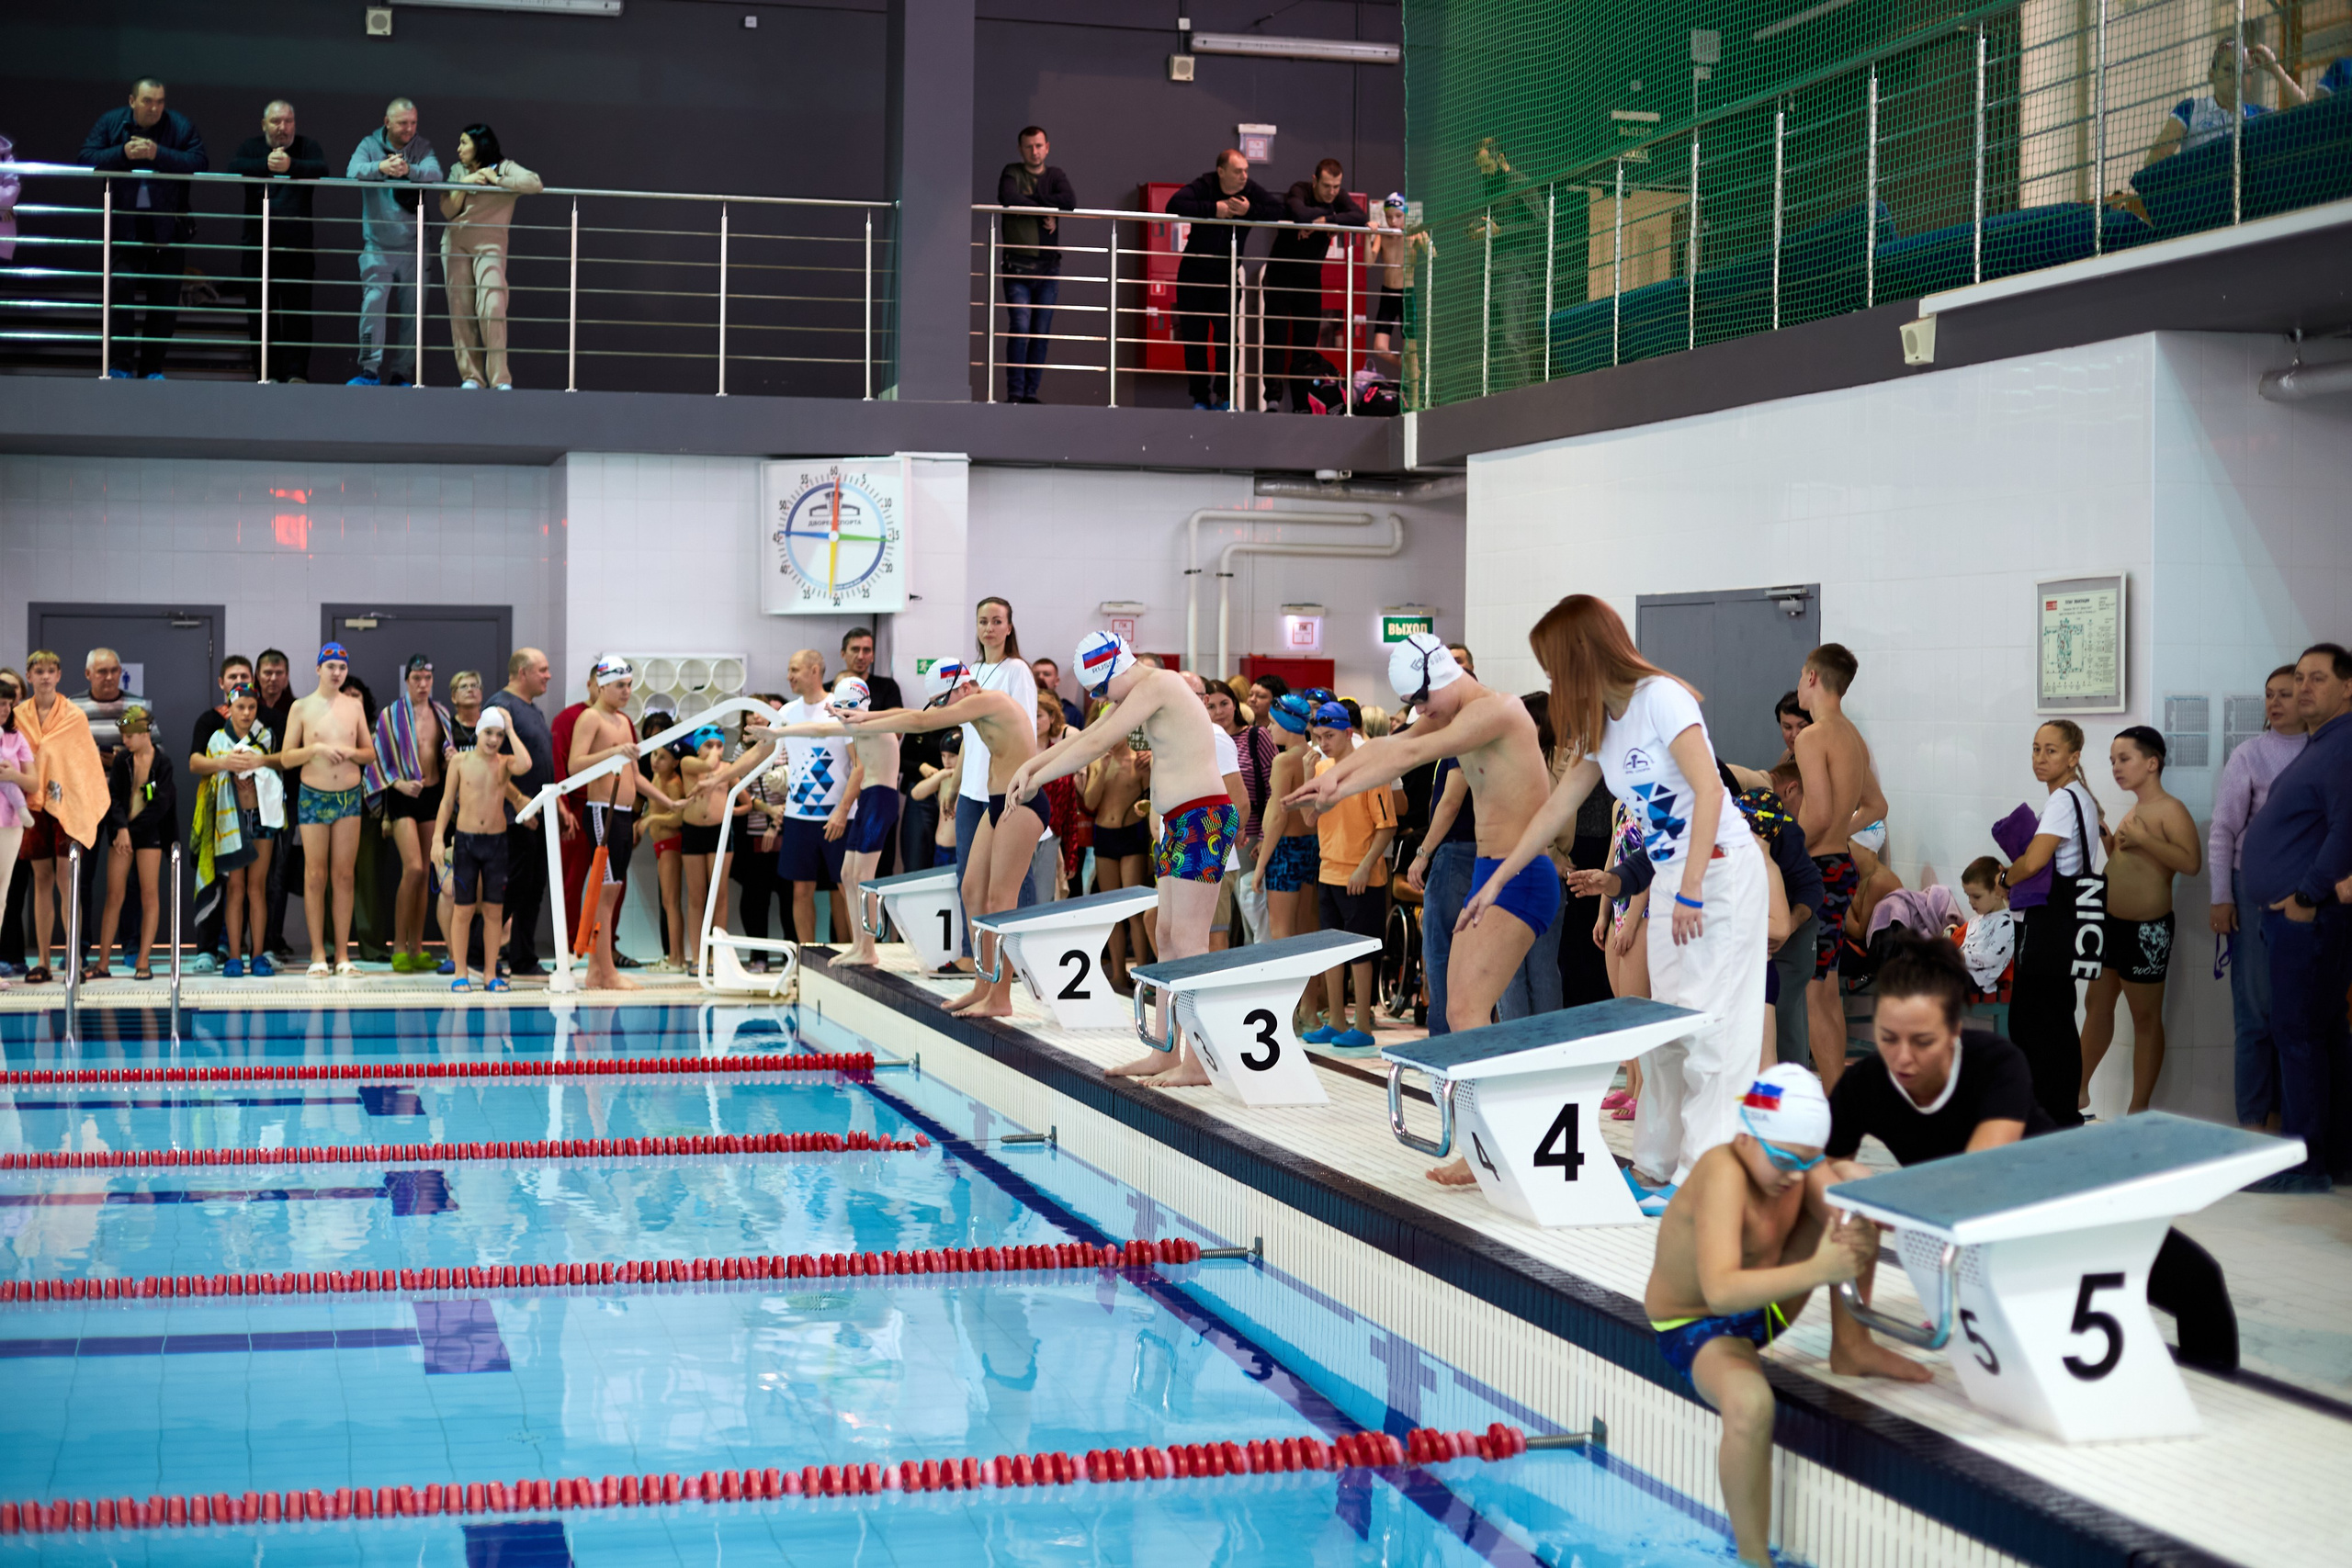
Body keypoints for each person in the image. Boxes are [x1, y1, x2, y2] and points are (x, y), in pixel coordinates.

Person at [1815, 933, 2241, 1377]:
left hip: (2070, 1198)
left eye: (1922, 1041)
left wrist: (1887, 1203)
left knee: (2199, 1282)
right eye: (1888, 1038)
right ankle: (1849, 1345)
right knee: (1842, 1189)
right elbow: (1819, 1169)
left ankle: (2222, 1399)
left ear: (1955, 1031)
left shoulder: (1994, 1062)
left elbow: (1979, 1174)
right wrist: (1848, 1187)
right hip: (1993, 1233)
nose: (1902, 1058)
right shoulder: (1867, 1083)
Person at [1466, 596, 1769, 1201]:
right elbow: (1556, 806)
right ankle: (1656, 1163)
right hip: (1669, 881)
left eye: (1555, 667)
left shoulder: (1662, 699)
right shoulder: (1601, 724)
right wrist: (1500, 876)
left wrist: (1688, 890)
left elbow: (1710, 792)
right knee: (1662, 1029)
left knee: (1714, 1032)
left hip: (1720, 877)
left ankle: (1703, 1177)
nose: (1553, 682)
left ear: (1585, 654)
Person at [1293, 635, 1553, 1078]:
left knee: (1469, 1014)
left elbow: (1411, 752)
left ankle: (1501, 1133)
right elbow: (1389, 746)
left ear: (1450, 676)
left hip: (1520, 875)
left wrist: (1341, 787)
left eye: (1424, 699)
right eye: (1412, 702)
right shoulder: (1455, 711)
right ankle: (1482, 1140)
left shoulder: (1497, 712)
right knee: (1459, 1015)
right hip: (1488, 872)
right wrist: (1331, 778)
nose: (1422, 710)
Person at [1644, 1063, 1871, 1568]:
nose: (1794, 1175)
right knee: (1750, 1404)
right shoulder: (1722, 1170)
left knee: (1853, 1186)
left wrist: (1864, 1210)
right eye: (1786, 1159)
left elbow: (1841, 1205)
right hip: (1696, 1323)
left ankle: (1853, 1346)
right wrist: (1820, 1267)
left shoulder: (1793, 1168)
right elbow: (1721, 1292)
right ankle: (1754, 1559)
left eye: (1805, 1164)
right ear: (1747, 1137)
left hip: (1764, 1310)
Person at [1009, 633, 1238, 1080]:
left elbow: (1095, 745)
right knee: (1168, 936)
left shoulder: (1159, 684)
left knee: (1190, 940)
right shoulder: (1142, 691)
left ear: (1111, 672)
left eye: (1098, 690)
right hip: (1180, 821)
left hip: (1203, 819)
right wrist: (1030, 766)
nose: (1098, 699)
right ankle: (1165, 1050)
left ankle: (1199, 1061)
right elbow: (1090, 735)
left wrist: (1037, 780)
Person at [808, 658, 1039, 1018]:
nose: (943, 710)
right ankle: (982, 985)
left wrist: (864, 718)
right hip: (996, 802)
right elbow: (912, 712)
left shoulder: (987, 700)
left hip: (1022, 803)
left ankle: (1001, 996)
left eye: (943, 701)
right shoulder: (972, 706)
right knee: (971, 890)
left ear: (962, 686)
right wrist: (861, 717)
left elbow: (919, 720)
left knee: (1000, 899)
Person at [2238, 642, 2352, 1193]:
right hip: (2297, 918)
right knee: (2323, 1034)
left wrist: (2307, 895)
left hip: (2307, 919)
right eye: (2299, 678)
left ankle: (2306, 1164)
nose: (2305, 688)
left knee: (2299, 1036)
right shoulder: (2321, 743)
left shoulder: (2343, 744)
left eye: (2318, 679)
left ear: (2347, 687)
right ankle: (2332, 1156)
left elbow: (2345, 831)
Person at [2074, 727, 2199, 1113]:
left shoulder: (2170, 809)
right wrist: (2111, 841)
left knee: (2145, 1018)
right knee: (2097, 1005)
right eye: (2112, 760)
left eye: (2123, 758)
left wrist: (2144, 841)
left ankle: (2139, 1108)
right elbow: (2133, 864)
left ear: (2152, 762)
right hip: (2111, 923)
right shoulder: (2136, 809)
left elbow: (2190, 863)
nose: (2115, 767)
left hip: (2147, 931)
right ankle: (2077, 1090)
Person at [1994, 719, 2105, 1129]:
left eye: (2051, 751)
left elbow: (2038, 860)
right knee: (2053, 1018)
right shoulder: (2080, 799)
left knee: (2037, 1023)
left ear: (2073, 757)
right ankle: (2055, 1111)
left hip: (2047, 923)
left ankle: (2050, 1115)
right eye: (2036, 749)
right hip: (2064, 923)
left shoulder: (2063, 801)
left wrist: (2006, 878)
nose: (2041, 758)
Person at [2211, 664, 2306, 1129]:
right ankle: (2251, 1125)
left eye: (2285, 694)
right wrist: (2220, 897)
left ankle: (2292, 1123)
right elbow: (2223, 833)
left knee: (2300, 1018)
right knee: (2254, 1014)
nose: (2275, 702)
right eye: (2270, 694)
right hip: (2249, 891)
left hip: (2311, 892)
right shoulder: (2249, 755)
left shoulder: (2324, 751)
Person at [1791, 644, 1885, 1092]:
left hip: (1816, 872)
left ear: (1811, 677)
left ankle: (1833, 1100)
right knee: (1825, 991)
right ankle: (1836, 1097)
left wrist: (1780, 851)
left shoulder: (1813, 736)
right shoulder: (1852, 737)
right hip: (1840, 867)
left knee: (1813, 995)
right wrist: (1838, 837)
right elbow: (1877, 805)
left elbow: (1820, 813)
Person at [80, 79, 207, 379]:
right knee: (120, 297)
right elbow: (86, 158)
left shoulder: (179, 125)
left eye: (160, 102)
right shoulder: (111, 122)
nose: (155, 108)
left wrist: (156, 154)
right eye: (148, 101)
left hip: (168, 226)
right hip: (125, 225)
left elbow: (199, 160)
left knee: (164, 302)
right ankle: (120, 365)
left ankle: (152, 369)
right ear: (132, 101)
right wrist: (123, 153)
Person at [1296, 702, 1395, 1052]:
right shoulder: (1322, 767)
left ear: (1349, 733)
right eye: (1318, 736)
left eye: (1330, 736)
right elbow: (1310, 819)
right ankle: (1336, 1020)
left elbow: (1387, 827)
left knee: (1361, 953)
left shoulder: (1371, 770)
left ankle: (1363, 1024)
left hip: (1361, 875)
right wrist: (1310, 779)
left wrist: (1365, 866)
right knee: (1332, 952)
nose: (1323, 742)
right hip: (1329, 870)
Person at [570, 658, 667, 991]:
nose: (627, 691)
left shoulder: (624, 721)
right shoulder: (590, 717)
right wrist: (612, 754)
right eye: (620, 685)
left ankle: (596, 972)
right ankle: (605, 972)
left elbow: (636, 776)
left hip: (625, 815)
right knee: (605, 894)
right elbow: (574, 765)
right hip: (602, 812)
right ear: (600, 685)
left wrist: (669, 802)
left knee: (610, 893)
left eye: (629, 685)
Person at [280, 644, 373, 976]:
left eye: (342, 668)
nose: (337, 673)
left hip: (348, 797)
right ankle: (318, 954)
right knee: (315, 875)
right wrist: (316, 748)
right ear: (318, 670)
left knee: (345, 876)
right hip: (314, 796)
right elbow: (286, 757)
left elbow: (369, 754)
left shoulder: (354, 707)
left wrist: (350, 751)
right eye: (330, 666)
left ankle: (342, 956)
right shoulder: (301, 707)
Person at [1165, 150, 1281, 409]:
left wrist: (1250, 210)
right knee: (1194, 340)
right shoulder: (1204, 185)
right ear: (1221, 172)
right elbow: (1173, 205)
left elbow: (1279, 209)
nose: (1244, 176)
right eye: (1238, 171)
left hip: (1226, 276)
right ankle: (1200, 398)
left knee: (1228, 340)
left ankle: (1226, 397)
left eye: (1246, 171)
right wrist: (1212, 210)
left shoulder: (1249, 190)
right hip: (1194, 274)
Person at [17, 652, 107, 984]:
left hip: (66, 804)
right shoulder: (16, 716)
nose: (44, 677)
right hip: (31, 804)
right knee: (41, 881)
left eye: (50, 671)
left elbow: (81, 766)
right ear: (28, 675)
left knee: (68, 882)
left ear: (59, 675)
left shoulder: (74, 715)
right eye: (38, 671)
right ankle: (41, 960)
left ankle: (72, 958)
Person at [431, 705, 531, 992]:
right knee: (463, 910)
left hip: (497, 844)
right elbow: (447, 802)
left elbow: (525, 765)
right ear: (478, 731)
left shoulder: (504, 763)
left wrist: (511, 728)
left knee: (494, 913)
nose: (493, 740)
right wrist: (438, 838)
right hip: (466, 842)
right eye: (489, 732)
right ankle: (460, 971)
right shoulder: (460, 762)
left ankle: (490, 974)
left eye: (499, 735)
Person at [189, 680, 285, 978]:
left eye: (251, 707)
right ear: (228, 708)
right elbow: (202, 769)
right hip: (229, 819)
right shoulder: (217, 740)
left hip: (261, 818)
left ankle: (257, 955)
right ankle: (233, 956)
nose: (246, 713)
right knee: (235, 889)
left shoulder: (265, 737)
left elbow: (274, 770)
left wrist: (258, 772)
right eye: (240, 707)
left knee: (257, 889)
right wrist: (225, 766)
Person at [226, 100, 326, 382]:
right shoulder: (251, 147)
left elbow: (322, 168)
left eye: (288, 121)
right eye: (276, 122)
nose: (283, 128)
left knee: (298, 316)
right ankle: (266, 375)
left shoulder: (307, 146)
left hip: (297, 248)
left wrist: (291, 165)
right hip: (257, 247)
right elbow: (234, 167)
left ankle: (296, 374)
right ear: (264, 124)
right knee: (261, 316)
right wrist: (265, 165)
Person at [362, 655, 450, 974]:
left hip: (431, 796)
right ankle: (398, 946)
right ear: (407, 680)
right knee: (412, 868)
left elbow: (444, 753)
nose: (423, 684)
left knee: (426, 873)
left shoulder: (442, 714)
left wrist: (449, 756)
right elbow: (375, 759)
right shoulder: (390, 716)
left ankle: (417, 948)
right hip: (402, 797)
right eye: (417, 678)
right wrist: (397, 783)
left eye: (427, 678)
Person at [955, 599, 1040, 925]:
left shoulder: (1017, 670)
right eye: (982, 622)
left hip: (1005, 789)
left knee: (1013, 878)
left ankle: (1021, 951)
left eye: (996, 621)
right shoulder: (971, 674)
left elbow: (1027, 734)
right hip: (971, 791)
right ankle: (973, 953)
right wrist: (954, 784)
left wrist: (1022, 784)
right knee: (969, 880)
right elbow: (969, 737)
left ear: (1009, 627)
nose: (989, 628)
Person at [439, 124, 541, 389]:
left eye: (464, 143)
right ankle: (471, 377)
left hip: (490, 247)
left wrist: (497, 180)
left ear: (479, 144)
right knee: (461, 311)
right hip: (455, 243)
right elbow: (448, 210)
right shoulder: (458, 170)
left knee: (493, 305)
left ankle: (500, 379)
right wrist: (464, 183)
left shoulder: (504, 167)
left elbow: (534, 183)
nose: (458, 149)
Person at [347, 100, 442, 387]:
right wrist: (382, 167)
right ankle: (369, 370)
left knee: (413, 313)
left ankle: (402, 373)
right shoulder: (369, 144)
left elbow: (436, 174)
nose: (409, 129)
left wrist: (409, 171)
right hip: (378, 245)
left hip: (414, 246)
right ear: (387, 122)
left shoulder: (422, 146)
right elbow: (352, 172)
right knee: (373, 305)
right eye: (403, 123)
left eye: (413, 123)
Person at [1264, 159, 1367, 412]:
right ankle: (1273, 400)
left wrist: (1327, 220)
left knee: (1306, 345)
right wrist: (1325, 220)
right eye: (1327, 186)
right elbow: (1299, 212)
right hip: (1280, 276)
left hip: (1310, 280)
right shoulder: (1299, 189)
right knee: (1275, 339)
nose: (1332, 192)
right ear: (1315, 180)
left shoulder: (1338, 197)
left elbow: (1360, 216)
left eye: (1336, 186)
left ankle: (1302, 403)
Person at [70, 649, 150, 970]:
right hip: (85, 803)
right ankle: (79, 949)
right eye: (101, 672)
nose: (109, 677)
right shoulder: (73, 708)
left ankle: (130, 946)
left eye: (114, 670)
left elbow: (153, 761)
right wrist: (99, 760)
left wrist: (142, 799)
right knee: (81, 880)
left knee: (130, 881)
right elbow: (65, 757)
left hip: (127, 808)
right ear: (88, 675)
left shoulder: (135, 707)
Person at [490, 648, 565, 977]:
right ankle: (480, 950)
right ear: (522, 673)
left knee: (533, 887)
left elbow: (543, 765)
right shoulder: (500, 707)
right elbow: (490, 762)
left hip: (539, 811)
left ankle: (523, 958)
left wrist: (557, 803)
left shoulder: (532, 710)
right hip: (514, 813)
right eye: (543, 670)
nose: (548, 675)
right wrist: (519, 800)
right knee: (513, 885)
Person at [775, 650, 856, 950]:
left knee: (846, 887)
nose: (789, 676)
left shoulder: (840, 707)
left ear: (814, 671)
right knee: (800, 890)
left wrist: (843, 809)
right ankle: (806, 957)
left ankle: (855, 954)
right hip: (799, 816)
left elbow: (859, 765)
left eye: (794, 669)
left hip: (839, 816)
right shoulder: (786, 713)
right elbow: (763, 755)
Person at [90, 705, 176, 979]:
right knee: (114, 896)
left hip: (149, 833)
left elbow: (159, 805)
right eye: (123, 735)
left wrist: (131, 830)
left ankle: (143, 960)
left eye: (128, 735)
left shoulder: (162, 764)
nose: (124, 741)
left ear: (144, 733)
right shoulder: (122, 761)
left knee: (149, 895)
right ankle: (103, 963)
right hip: (123, 833)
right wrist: (121, 829)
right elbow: (114, 796)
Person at [997, 126, 1076, 404]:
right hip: (1016, 266)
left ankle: (1030, 393)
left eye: (1039, 146)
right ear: (1021, 149)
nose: (1034, 151)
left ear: (1047, 147)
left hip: (1048, 268)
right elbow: (1008, 197)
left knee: (1040, 332)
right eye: (1029, 146)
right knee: (1020, 327)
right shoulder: (1012, 172)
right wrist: (1046, 208)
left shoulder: (1055, 175)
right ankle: (1015, 393)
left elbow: (1069, 201)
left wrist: (1036, 204)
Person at [827, 675, 902, 965]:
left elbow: (819, 729)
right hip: (867, 800)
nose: (844, 713)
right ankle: (858, 944)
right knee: (847, 874)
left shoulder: (874, 723)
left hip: (881, 800)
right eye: (839, 706)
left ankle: (869, 949)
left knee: (864, 877)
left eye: (850, 706)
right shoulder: (855, 727)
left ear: (866, 705)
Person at [187, 653, 255, 968]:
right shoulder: (210, 722)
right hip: (218, 813)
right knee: (216, 880)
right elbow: (194, 762)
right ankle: (207, 948)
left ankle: (246, 949)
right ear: (221, 683)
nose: (239, 683)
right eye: (233, 678)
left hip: (254, 816)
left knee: (250, 886)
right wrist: (225, 764)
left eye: (245, 677)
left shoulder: (260, 722)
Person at [1081, 714, 1155, 986]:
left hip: (1131, 835)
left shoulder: (1139, 762)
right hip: (1105, 835)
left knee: (1133, 911)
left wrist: (1150, 850)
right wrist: (1102, 768)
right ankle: (1118, 974)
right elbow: (1090, 801)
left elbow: (1149, 803)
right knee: (1111, 909)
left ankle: (1143, 974)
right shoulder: (1096, 764)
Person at [2145, 39, 2304, 164]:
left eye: (2245, 71)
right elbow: (2154, 161)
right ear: (2211, 75)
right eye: (2229, 69)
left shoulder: (2259, 116)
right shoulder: (2191, 109)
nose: (2237, 77)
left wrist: (2275, 69)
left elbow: (2309, 115)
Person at [253, 649, 299, 961]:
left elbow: (293, 760)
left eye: (279, 672)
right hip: (244, 801)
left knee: (278, 872)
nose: (273, 678)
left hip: (286, 801)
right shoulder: (243, 708)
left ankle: (272, 939)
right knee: (244, 872)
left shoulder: (297, 710)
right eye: (267, 672)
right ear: (257, 675)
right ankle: (241, 941)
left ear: (287, 676)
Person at [0, 674, 31, 981]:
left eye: (9, 702)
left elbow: (33, 781)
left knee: (4, 897)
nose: (5, 708)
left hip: (10, 824)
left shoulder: (17, 738)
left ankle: (10, 956)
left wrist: (12, 776)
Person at [1956, 856, 2017, 992]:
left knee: (1933, 979)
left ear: (1997, 893)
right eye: (1968, 896)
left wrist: (1962, 956)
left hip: (1979, 981)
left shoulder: (2006, 922)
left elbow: (1992, 957)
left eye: (1976, 897)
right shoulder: (1975, 921)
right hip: (1962, 973)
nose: (1971, 902)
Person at [1032, 655, 1084, 734]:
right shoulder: (1022, 708)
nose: (1040, 678)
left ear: (1057, 681)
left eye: (1046, 674)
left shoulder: (1072, 713)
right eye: (1036, 675)